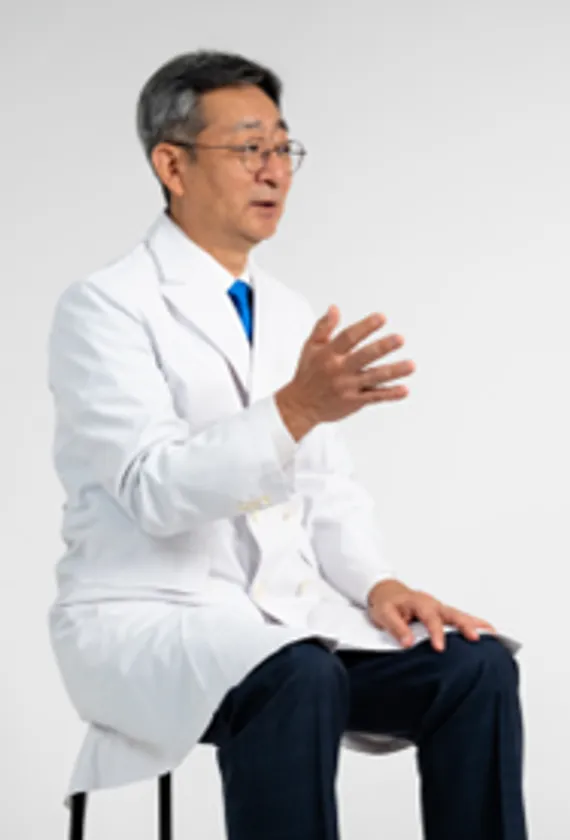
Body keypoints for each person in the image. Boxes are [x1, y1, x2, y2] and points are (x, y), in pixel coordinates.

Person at [47, 50, 527, 839]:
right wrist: (296, 407)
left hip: (283, 623)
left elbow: (324, 488)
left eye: (282, 147)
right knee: (295, 675)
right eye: (248, 148)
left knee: (474, 667)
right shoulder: (104, 308)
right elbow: (153, 491)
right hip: (149, 621)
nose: (273, 171)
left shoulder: (285, 308)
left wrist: (378, 584)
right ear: (172, 164)